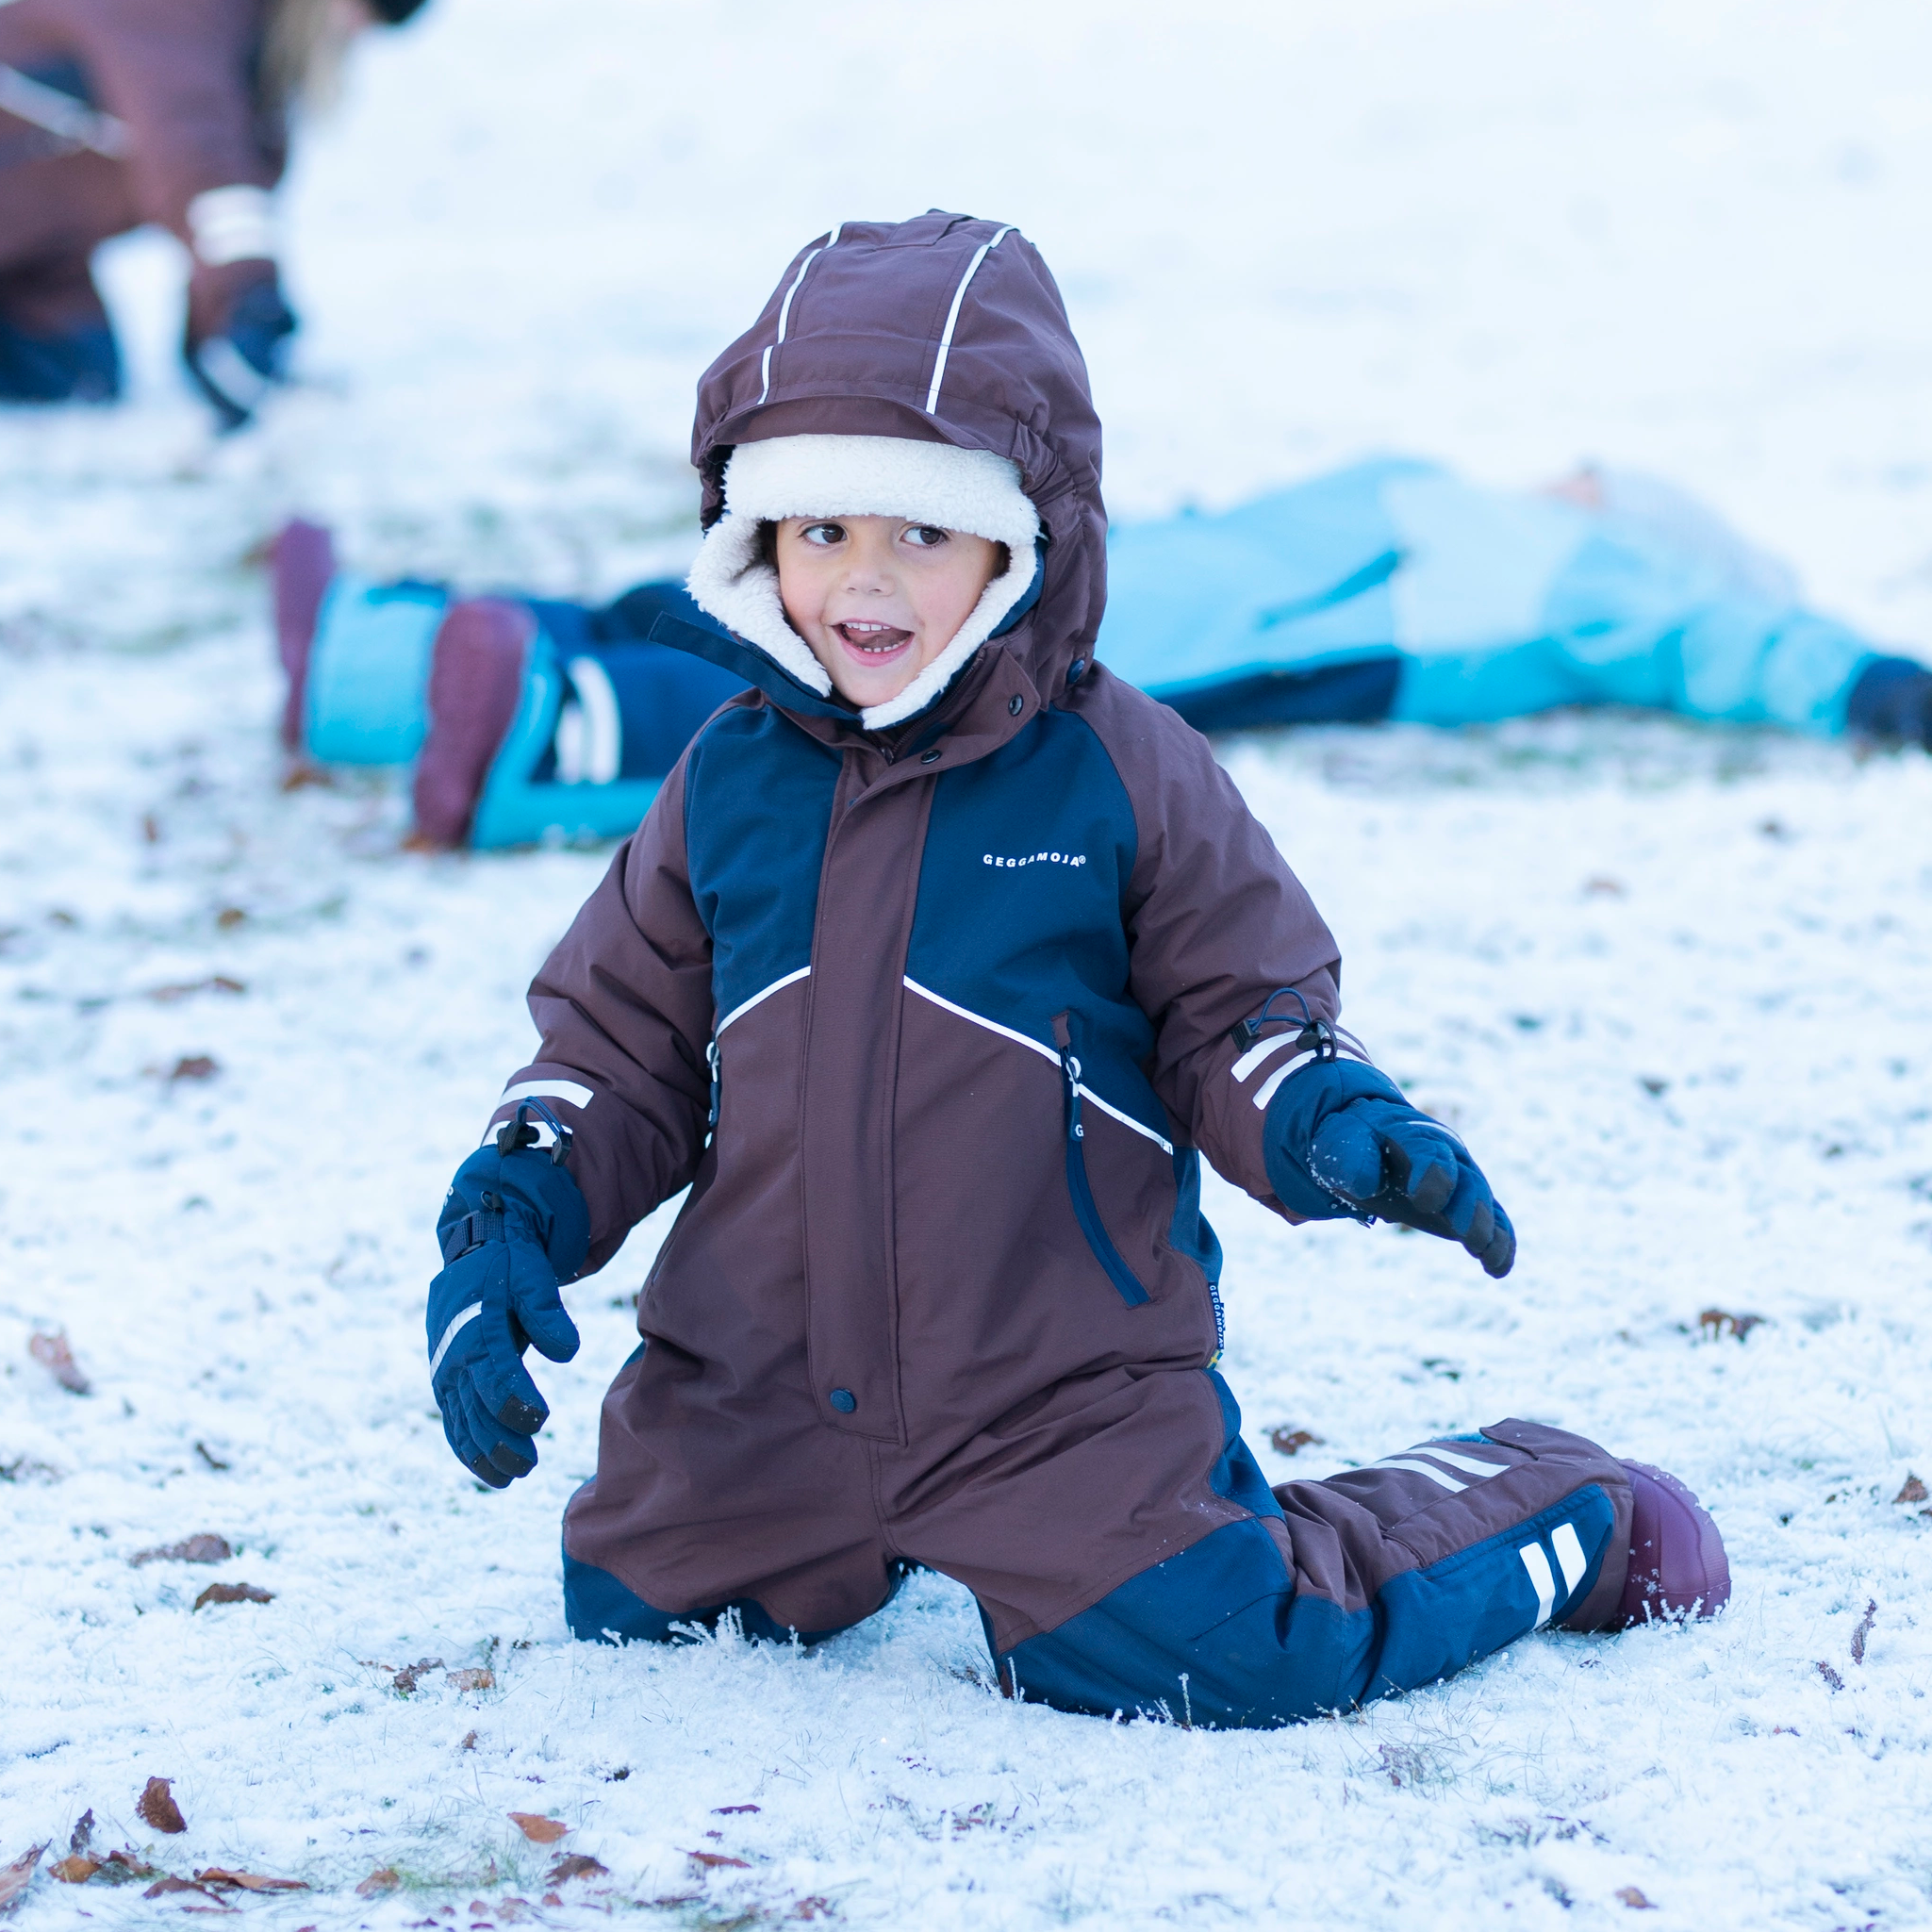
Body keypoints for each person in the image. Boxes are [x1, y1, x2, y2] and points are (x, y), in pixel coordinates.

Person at [421, 212, 1727, 1729]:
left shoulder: (1117, 772)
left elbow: (1242, 1006)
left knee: (1237, 1651)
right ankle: (857, 1528)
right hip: (758, 1383)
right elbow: (615, 1040)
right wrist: (509, 1211)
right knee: (634, 1615)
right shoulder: (725, 781)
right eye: (821, 527)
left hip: (1051, 1395)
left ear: (1020, 538)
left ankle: (1563, 1499)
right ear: (753, 537)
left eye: (920, 530)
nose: (865, 579)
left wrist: (1320, 1114)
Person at [272, 450, 1932, 850]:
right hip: (1108, 554)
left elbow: (1732, 640)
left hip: (1136, 630)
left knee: (827, 676)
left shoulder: (1584, 578)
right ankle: (376, 657)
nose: (1579, 471)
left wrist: (1872, 684)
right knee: (761, 585)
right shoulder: (1448, 490)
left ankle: (540, 735)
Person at [0, 0, 426, 427]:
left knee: (80, 384)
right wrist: (248, 297)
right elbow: (195, 151)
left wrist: (220, 328)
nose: (354, 30)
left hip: (35, 269)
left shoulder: (247, 52)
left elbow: (234, 174)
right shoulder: (170, 14)